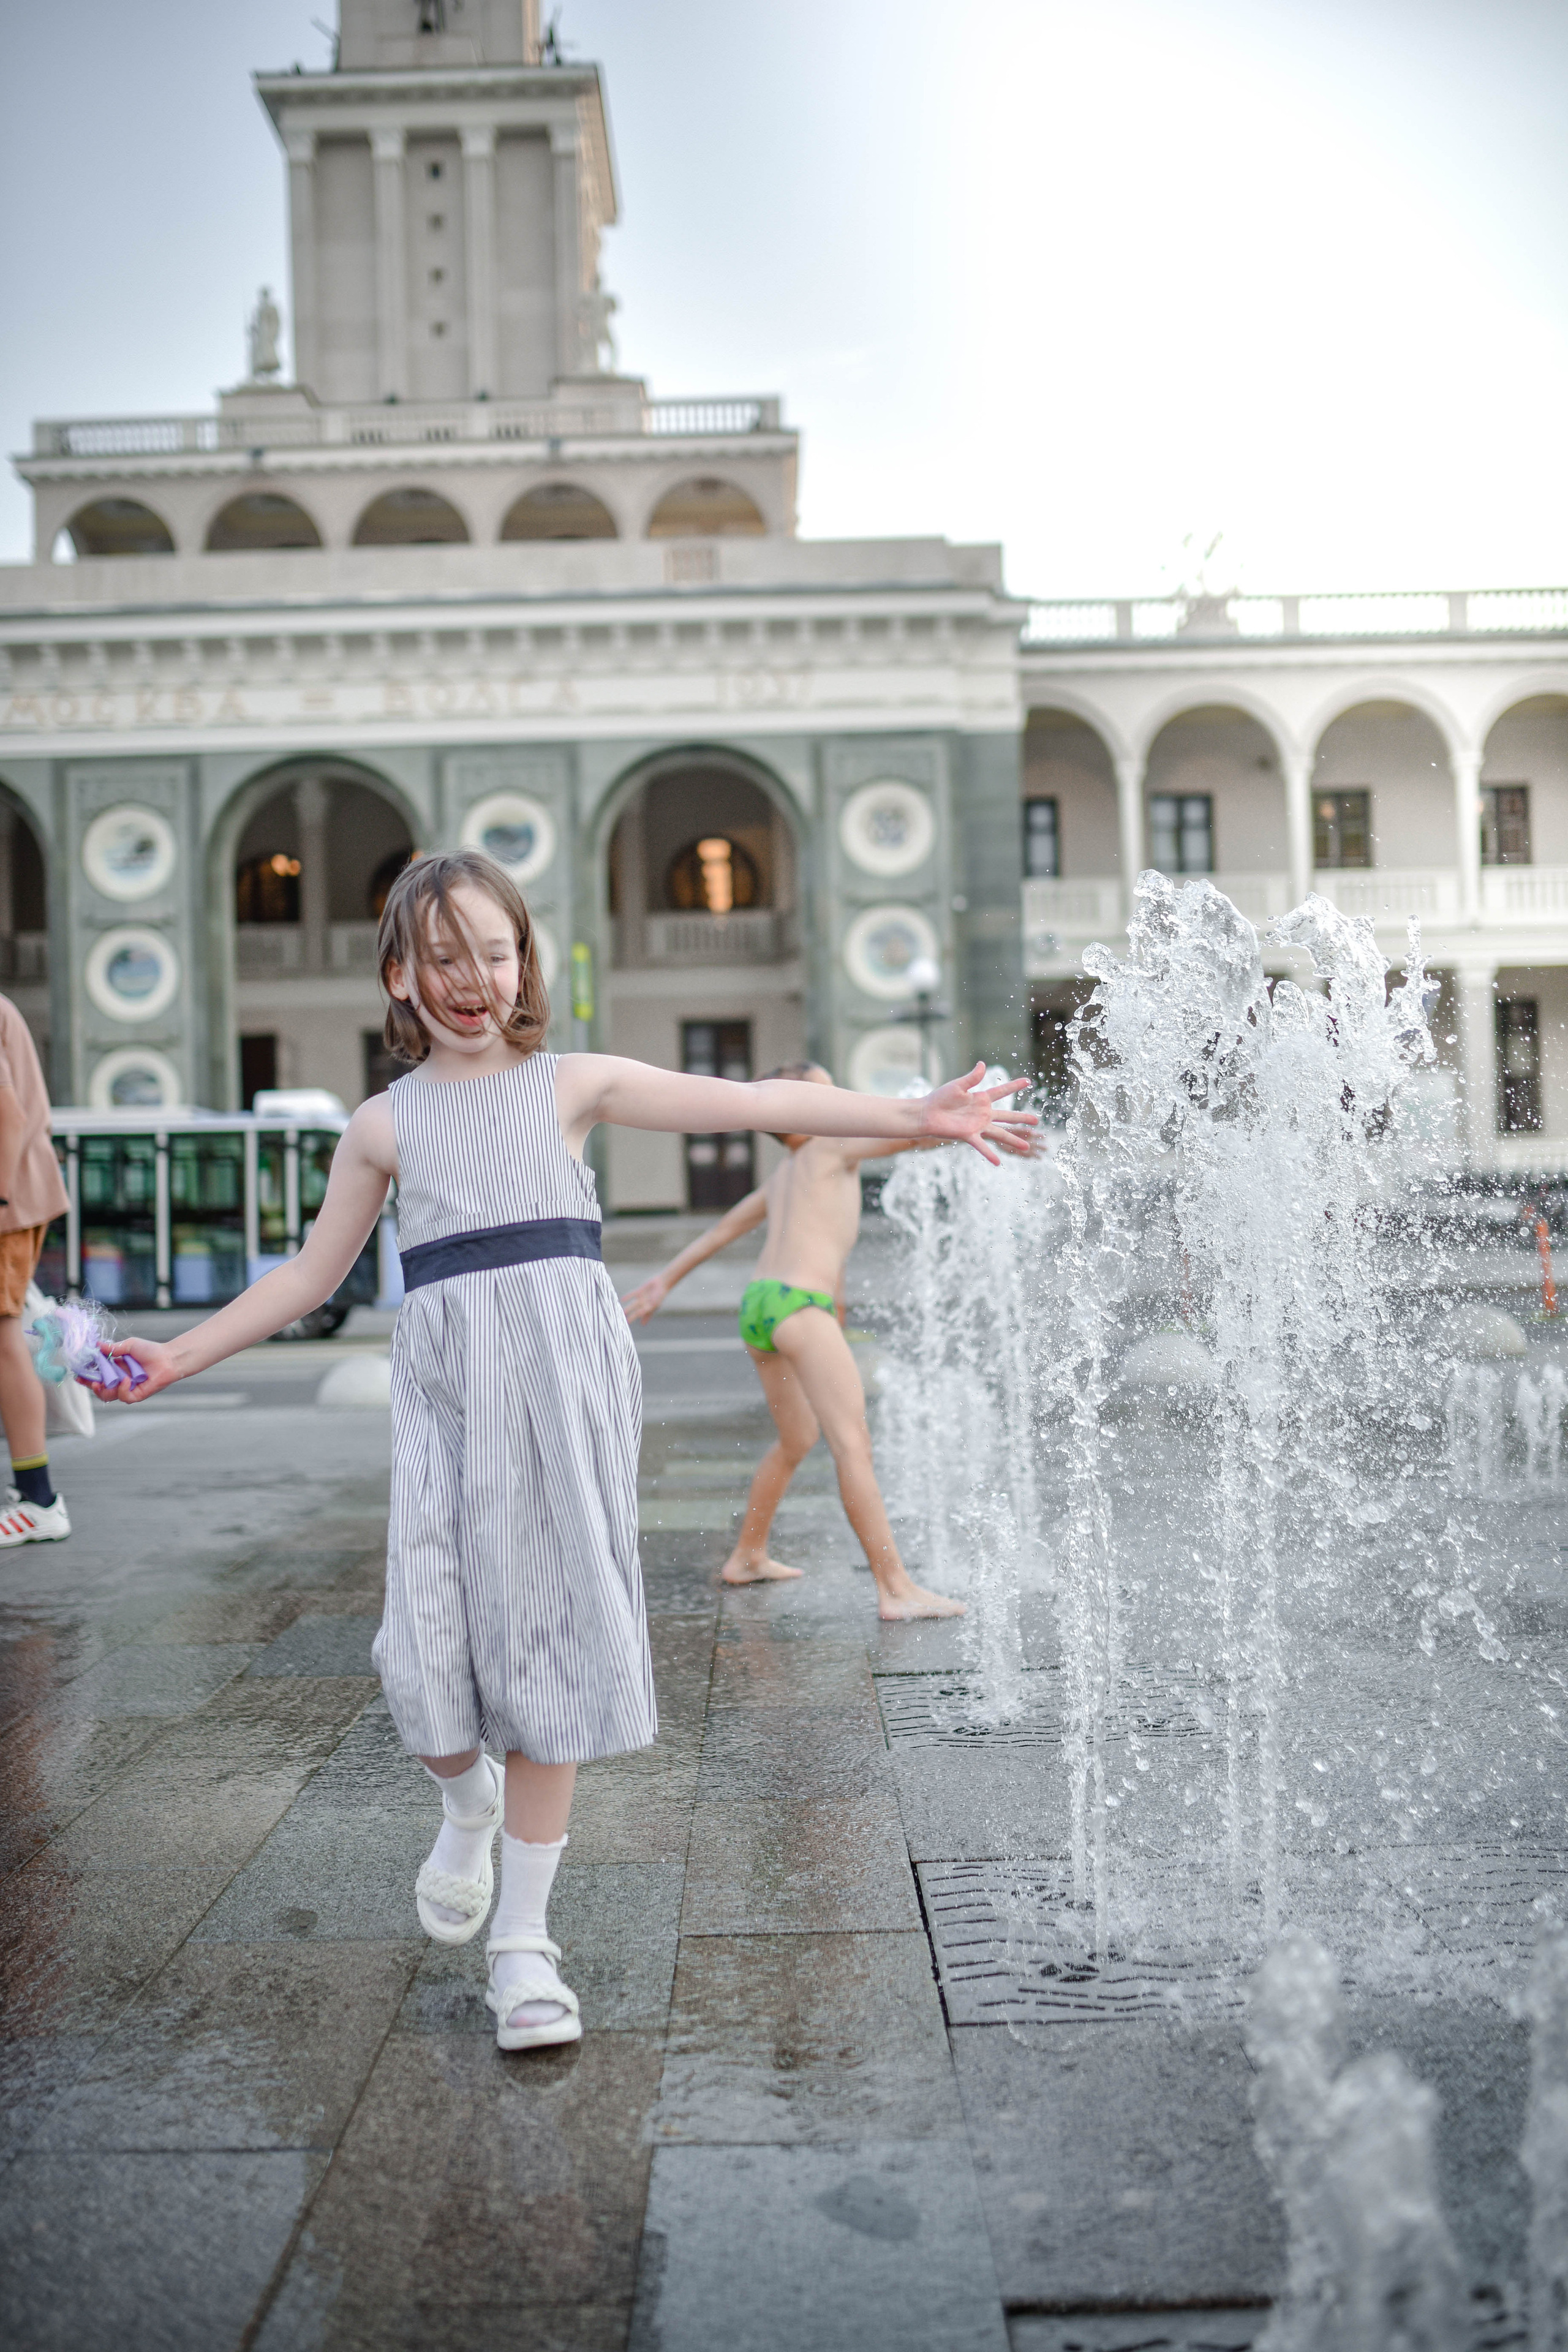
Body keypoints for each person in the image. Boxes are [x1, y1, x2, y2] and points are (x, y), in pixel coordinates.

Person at [91, 851, 1035, 2054]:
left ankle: (524, 1948)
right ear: (398, 975)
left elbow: (751, 1106)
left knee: (544, 1649)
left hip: (563, 1387)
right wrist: (177, 1357)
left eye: (494, 950)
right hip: (444, 1399)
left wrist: (917, 1116)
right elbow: (308, 1277)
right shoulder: (382, 1127)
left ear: (523, 961)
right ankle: (463, 1797)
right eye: (443, 957)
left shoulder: (568, 1085)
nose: (473, 978)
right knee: (419, 1658)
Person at [621, 1063, 997, 1618]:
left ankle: (748, 1555)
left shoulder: (788, 1173)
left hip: (762, 1306)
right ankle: (895, 1589)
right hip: (799, 1305)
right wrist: (961, 1125)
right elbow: (910, 1135)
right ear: (803, 1111)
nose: (842, 1101)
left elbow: (721, 1231)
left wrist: (664, 1282)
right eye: (828, 1093)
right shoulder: (831, 1146)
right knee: (852, 1444)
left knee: (797, 1439)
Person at [0, 992, 70, 1548]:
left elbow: (7, 1112)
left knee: (4, 1340)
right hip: (14, 1197)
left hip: (8, 1202)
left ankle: (39, 1499)